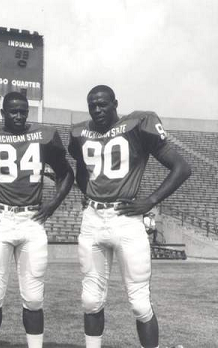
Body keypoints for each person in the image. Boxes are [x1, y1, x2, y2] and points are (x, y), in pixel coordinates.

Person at [68, 85, 191, 348]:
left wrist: (150, 201)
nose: (97, 109)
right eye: (92, 105)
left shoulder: (138, 124)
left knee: (139, 302)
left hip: (125, 219)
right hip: (93, 219)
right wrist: (89, 194)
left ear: (115, 103)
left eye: (103, 104)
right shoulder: (79, 132)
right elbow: (80, 171)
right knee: (90, 300)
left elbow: (182, 167)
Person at [0, 91, 74, 348]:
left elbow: (66, 173)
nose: (19, 115)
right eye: (13, 111)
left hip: (31, 220)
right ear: (2, 113)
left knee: (34, 299)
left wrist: (53, 204)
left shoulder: (44, 136)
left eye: (23, 111)